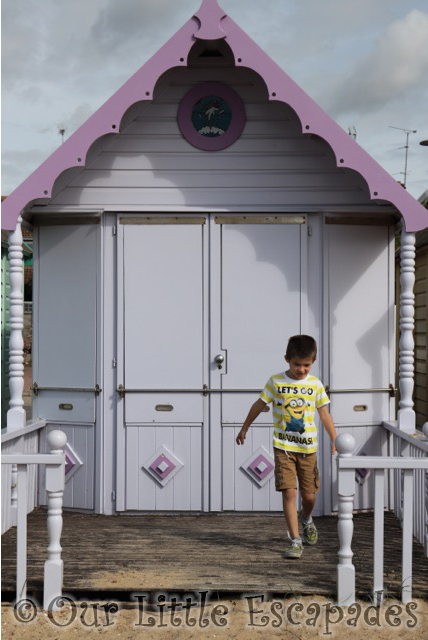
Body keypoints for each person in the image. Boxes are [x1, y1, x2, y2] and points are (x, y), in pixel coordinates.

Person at [236, 335, 337, 558]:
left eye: (306, 365)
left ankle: (307, 519)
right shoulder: (276, 382)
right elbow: (259, 404)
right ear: (287, 360)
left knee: (309, 497)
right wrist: (245, 427)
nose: (301, 369)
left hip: (308, 449)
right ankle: (295, 539)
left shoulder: (316, 385)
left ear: (314, 361)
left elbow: (324, 414)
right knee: (289, 492)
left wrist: (334, 438)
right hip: (284, 448)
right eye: (297, 365)